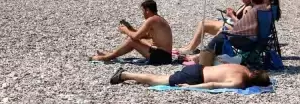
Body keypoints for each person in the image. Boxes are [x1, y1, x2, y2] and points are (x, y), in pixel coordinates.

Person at [90, 0, 173, 65]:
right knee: (133, 39)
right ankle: (112, 53)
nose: (143, 14)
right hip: (165, 56)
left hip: (161, 57)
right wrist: (130, 29)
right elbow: (145, 36)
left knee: (131, 40)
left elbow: (136, 37)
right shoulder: (158, 19)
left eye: (143, 11)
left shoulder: (151, 20)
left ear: (147, 10)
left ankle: (107, 57)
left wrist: (125, 30)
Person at [198, 0, 266, 66]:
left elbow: (240, 26)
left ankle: (204, 59)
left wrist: (231, 16)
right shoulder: (264, 8)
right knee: (222, 34)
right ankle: (206, 56)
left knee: (221, 36)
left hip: (248, 40)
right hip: (258, 39)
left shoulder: (252, 10)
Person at [177, 0, 253, 54]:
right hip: (232, 25)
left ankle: (190, 49)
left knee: (204, 24)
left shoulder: (248, 8)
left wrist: (232, 16)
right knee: (203, 22)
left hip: (236, 30)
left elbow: (243, 26)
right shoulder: (245, 5)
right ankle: (190, 47)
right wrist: (234, 13)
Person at [109, 63, 271, 90]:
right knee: (157, 80)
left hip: (199, 67)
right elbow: (212, 85)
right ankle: (124, 75)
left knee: (161, 76)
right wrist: (191, 87)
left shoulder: (242, 67)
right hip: (196, 77)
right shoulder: (239, 82)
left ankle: (125, 74)